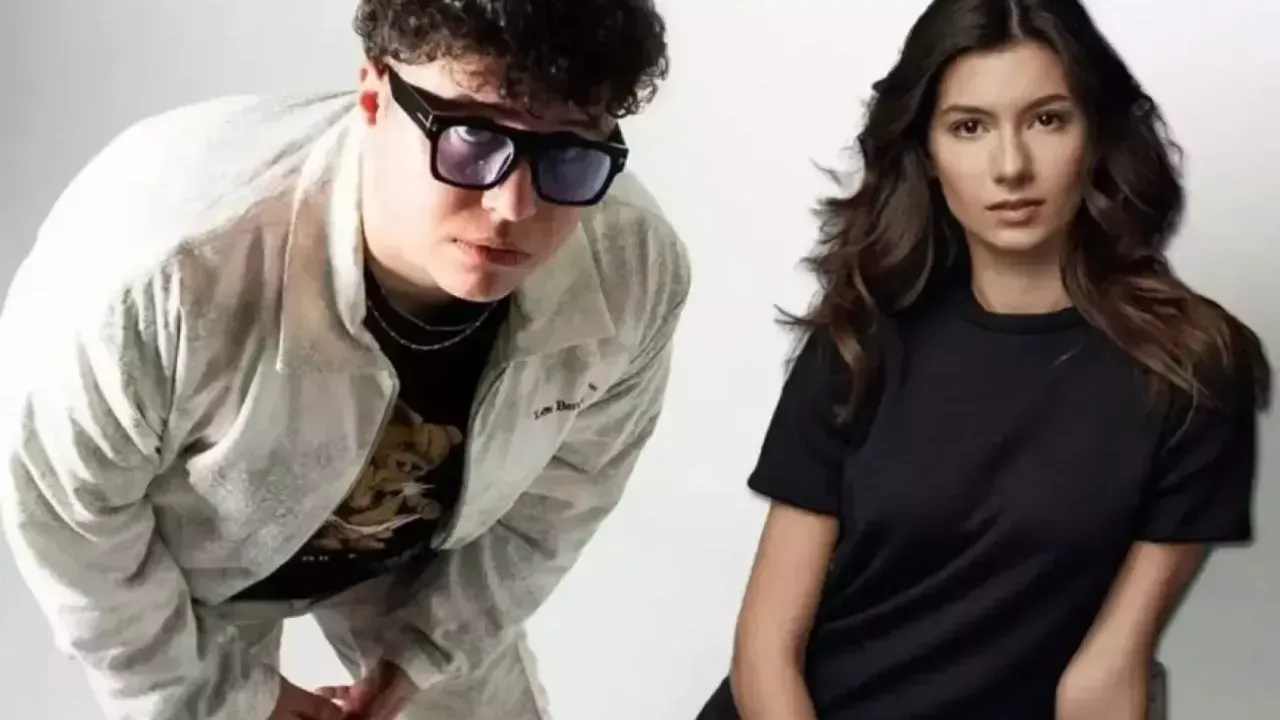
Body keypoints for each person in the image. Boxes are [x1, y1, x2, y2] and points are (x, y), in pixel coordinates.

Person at [0, 1, 685, 719]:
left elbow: (561, 498)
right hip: (194, 552)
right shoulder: (167, 270)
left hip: (421, 552)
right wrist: (223, 698)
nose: (513, 206)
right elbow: (70, 522)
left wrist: (428, 652)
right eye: (472, 138)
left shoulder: (633, 266)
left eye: (568, 152)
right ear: (373, 95)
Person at [697, 0, 1270, 718]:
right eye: (969, 127)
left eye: (1047, 119)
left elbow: (1103, 677)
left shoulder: (1191, 368)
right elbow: (764, 653)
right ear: (928, 155)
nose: (1010, 166)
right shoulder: (860, 341)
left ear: (1096, 133)